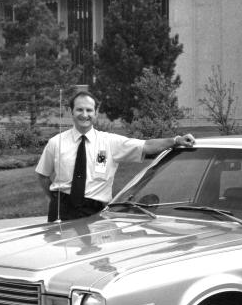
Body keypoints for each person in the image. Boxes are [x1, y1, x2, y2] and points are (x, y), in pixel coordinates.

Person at [36, 91, 195, 222]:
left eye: (89, 110)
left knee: (93, 258)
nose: (85, 115)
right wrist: (56, 199)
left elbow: (146, 145)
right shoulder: (56, 143)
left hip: (95, 212)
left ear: (96, 113)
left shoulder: (110, 142)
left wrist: (175, 140)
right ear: (71, 112)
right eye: (79, 110)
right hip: (61, 211)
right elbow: (43, 176)